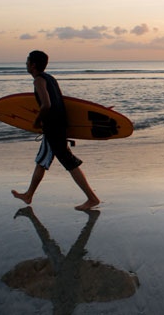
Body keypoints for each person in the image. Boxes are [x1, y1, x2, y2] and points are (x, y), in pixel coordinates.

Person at [11, 50, 100, 211]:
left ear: (33, 65)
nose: (25, 64)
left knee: (69, 163)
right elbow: (61, 103)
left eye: (27, 61)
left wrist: (37, 121)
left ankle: (92, 198)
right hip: (57, 126)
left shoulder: (38, 80)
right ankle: (29, 194)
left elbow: (46, 104)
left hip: (53, 128)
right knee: (42, 161)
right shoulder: (50, 78)